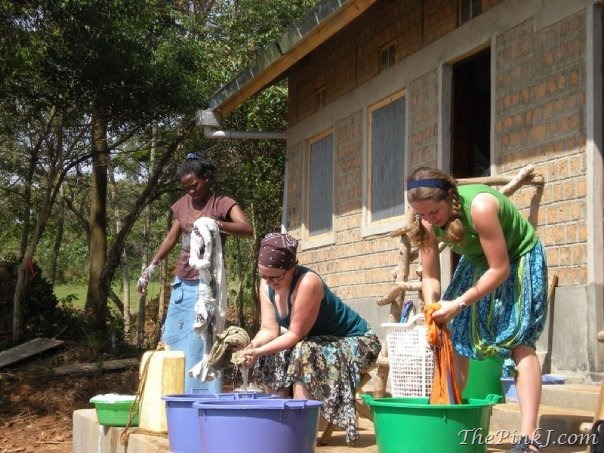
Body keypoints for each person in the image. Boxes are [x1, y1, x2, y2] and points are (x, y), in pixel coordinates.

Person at [406, 167, 548, 453]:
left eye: (433, 212)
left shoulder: (480, 207)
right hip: (477, 262)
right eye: (421, 214)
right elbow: (431, 276)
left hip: (517, 259)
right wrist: (433, 308)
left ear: (450, 197)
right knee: (455, 335)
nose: (428, 220)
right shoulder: (427, 221)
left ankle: (529, 438)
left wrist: (458, 303)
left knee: (518, 341)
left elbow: (500, 269)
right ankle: (452, 419)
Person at [241, 232, 381, 444]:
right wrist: (251, 348)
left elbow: (296, 335)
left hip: (359, 343)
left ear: (292, 268)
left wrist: (260, 350)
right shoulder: (267, 284)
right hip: (314, 342)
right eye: (264, 276)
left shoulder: (308, 283)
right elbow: (269, 330)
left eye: (275, 277)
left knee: (303, 351)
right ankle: (275, 428)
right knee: (271, 354)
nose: (269, 282)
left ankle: (301, 433)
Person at [137, 152, 253, 392]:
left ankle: (201, 398)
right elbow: (171, 238)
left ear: (207, 178)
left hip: (206, 286)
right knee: (172, 340)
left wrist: (215, 223)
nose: (191, 191)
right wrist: (150, 267)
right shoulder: (182, 205)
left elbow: (246, 228)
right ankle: (171, 395)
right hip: (182, 283)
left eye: (194, 185)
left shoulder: (221, 203)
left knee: (201, 344)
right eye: (186, 187)